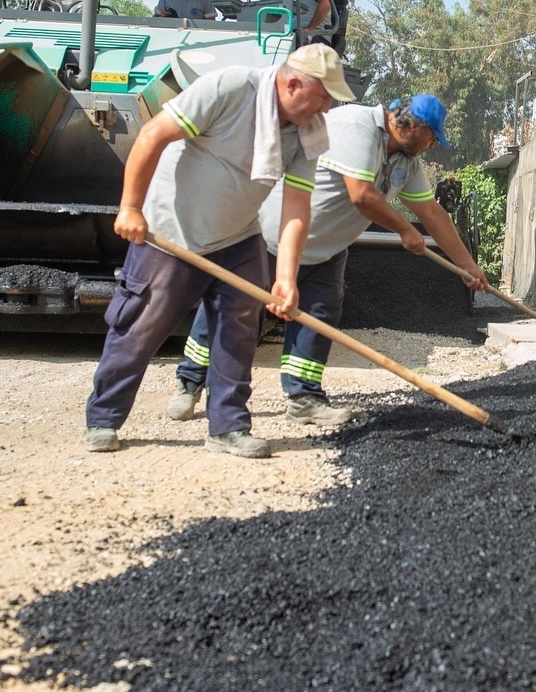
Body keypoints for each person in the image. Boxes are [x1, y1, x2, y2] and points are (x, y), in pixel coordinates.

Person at [83, 43, 355, 458]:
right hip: (174, 232)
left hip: (238, 237)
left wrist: (285, 277)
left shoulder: (308, 132)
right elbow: (153, 135)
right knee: (140, 326)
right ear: (294, 83)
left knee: (240, 329)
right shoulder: (229, 88)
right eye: (323, 96)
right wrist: (130, 207)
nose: (327, 107)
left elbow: (297, 206)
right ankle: (104, 417)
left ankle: (227, 426)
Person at [167, 94, 488, 426]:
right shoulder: (358, 125)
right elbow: (361, 194)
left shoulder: (407, 163)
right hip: (266, 235)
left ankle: (303, 398)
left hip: (327, 250)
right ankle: (189, 382)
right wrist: (405, 230)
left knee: (317, 318)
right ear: (416, 128)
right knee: (232, 309)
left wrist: (465, 265)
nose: (431, 146)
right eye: (433, 137)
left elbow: (432, 212)